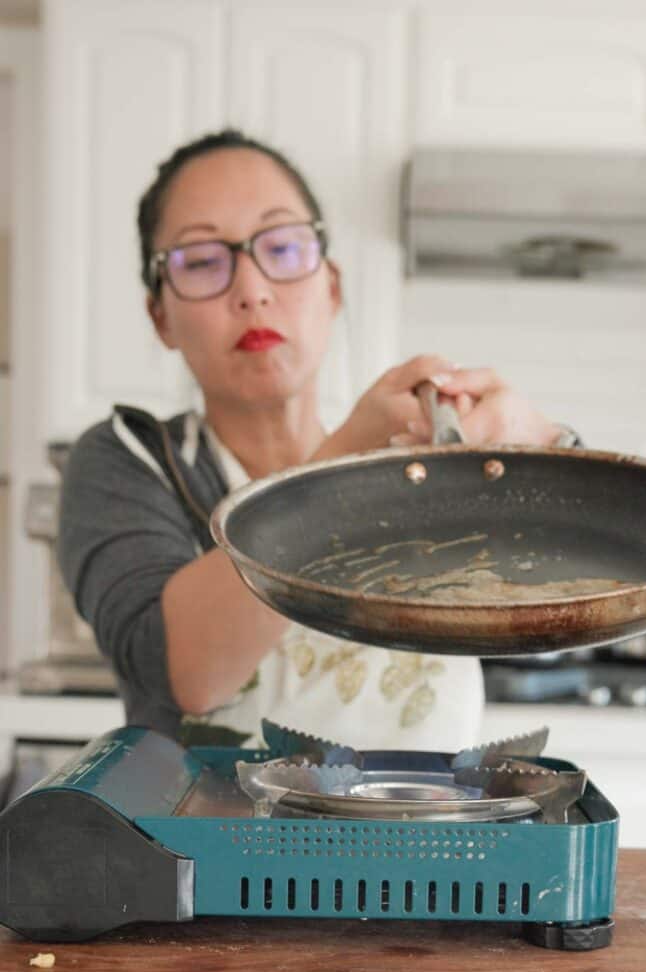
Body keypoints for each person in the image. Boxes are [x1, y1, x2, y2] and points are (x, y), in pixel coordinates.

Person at [57, 129, 571, 751]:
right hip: (216, 848)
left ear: (331, 286)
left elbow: (572, 595)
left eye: (281, 247)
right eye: (201, 262)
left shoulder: (422, 461)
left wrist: (541, 450)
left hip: (435, 843)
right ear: (161, 315)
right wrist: (349, 459)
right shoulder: (128, 462)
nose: (252, 290)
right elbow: (186, 674)